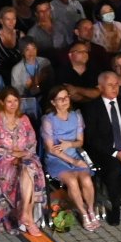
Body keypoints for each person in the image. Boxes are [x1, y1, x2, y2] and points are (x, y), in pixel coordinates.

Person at [81, 70, 121, 226]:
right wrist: (116, 153)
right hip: (107, 152)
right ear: (100, 87)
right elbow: (92, 138)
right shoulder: (92, 107)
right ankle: (116, 207)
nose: (114, 88)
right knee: (113, 170)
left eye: (116, 84)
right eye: (110, 85)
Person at [0, 89, 43, 235]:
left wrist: (23, 155)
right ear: (2, 102)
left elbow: (32, 143)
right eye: (9, 101)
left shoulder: (24, 119)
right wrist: (11, 154)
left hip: (24, 157)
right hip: (2, 162)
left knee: (29, 167)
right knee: (25, 169)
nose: (13, 104)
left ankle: (25, 214)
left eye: (15, 101)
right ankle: (27, 218)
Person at [39, 84, 99, 229]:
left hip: (74, 153)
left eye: (66, 97)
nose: (65, 101)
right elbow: (50, 148)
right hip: (57, 158)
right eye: (60, 99)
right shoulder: (48, 120)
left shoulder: (76, 116)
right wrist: (74, 161)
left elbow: (80, 141)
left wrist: (69, 145)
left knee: (86, 179)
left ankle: (90, 209)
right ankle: (82, 212)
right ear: (53, 102)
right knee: (72, 181)